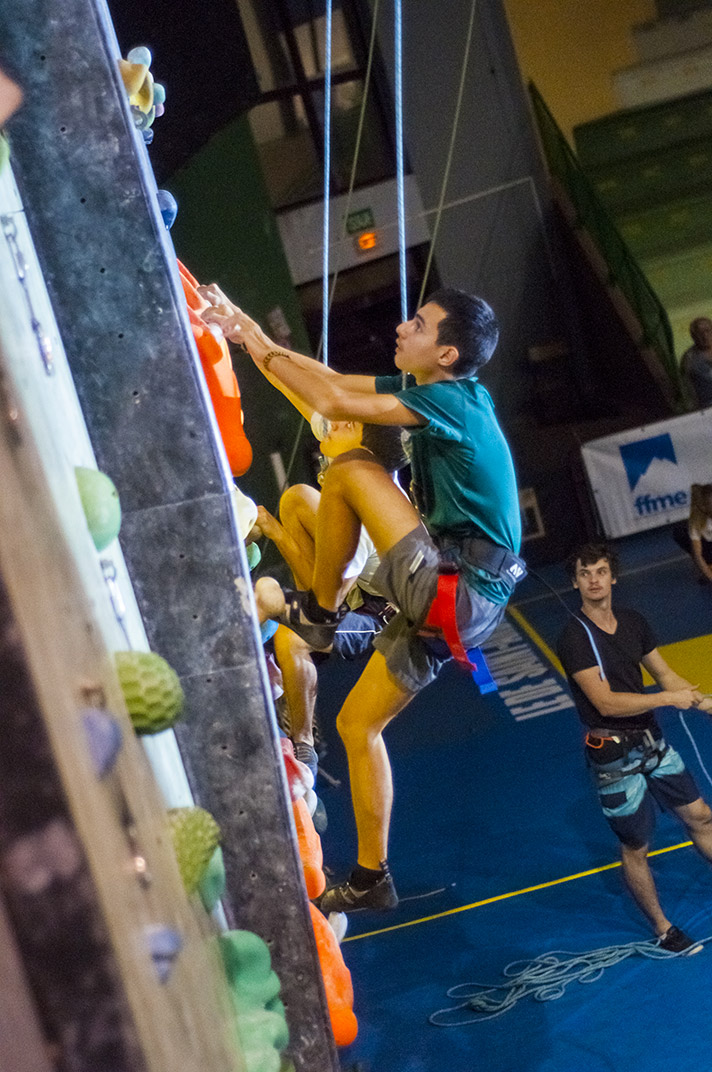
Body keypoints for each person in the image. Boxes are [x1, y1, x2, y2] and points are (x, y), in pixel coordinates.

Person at [201, 285, 524, 912]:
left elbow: (328, 398)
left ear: (448, 354)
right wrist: (249, 333)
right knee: (357, 726)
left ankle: (320, 613)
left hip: (454, 590)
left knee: (347, 471)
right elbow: (325, 385)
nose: (402, 327)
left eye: (419, 325)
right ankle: (373, 877)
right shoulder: (445, 395)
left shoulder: (449, 402)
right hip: (461, 604)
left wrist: (250, 335)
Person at [557, 542, 712, 952]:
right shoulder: (575, 637)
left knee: (701, 816)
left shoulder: (633, 621)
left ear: (613, 577)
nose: (594, 580)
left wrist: (703, 703)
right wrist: (667, 700)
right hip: (612, 754)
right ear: (575, 582)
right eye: (585, 573)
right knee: (636, 845)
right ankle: (664, 930)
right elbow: (605, 703)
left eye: (600, 571)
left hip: (651, 741)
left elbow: (665, 674)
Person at [253, 418, 405, 781]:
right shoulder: (353, 473)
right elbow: (315, 591)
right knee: (295, 498)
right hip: (348, 591)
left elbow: (325, 607)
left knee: (293, 636)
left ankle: (303, 743)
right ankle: (278, 676)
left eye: (346, 427)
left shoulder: (368, 509)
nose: (334, 427)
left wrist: (275, 532)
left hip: (383, 617)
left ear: (363, 450)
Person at [671, 483, 712, 586]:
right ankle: (706, 567)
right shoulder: (696, 523)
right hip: (706, 544)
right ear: (704, 507)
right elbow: (698, 554)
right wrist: (710, 576)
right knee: (680, 531)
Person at [680, 317, 712, 409]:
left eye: (707, 331)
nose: (705, 336)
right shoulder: (689, 359)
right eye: (700, 333)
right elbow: (686, 388)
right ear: (693, 337)